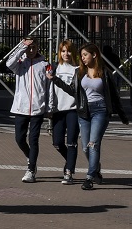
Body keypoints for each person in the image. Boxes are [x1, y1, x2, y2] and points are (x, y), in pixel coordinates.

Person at [49, 42, 128, 190]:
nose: (83, 58)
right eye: (82, 56)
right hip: (84, 112)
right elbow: (73, 90)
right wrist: (55, 80)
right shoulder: (80, 72)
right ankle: (96, 168)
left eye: (85, 55)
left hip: (100, 110)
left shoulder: (104, 72)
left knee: (93, 144)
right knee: (86, 147)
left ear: (94, 55)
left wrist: (123, 116)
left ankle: (90, 176)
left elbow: (114, 95)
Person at [6, 37, 51, 183]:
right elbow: (8, 63)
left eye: (33, 47)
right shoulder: (20, 63)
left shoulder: (45, 65)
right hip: (21, 108)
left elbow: (49, 87)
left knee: (34, 139)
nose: (31, 51)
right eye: (29, 48)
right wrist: (21, 47)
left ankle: (31, 170)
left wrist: (49, 107)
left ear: (38, 48)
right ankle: (30, 156)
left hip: (38, 109)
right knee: (19, 138)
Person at [49, 39, 81, 185]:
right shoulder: (55, 68)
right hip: (58, 110)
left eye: (68, 51)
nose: (66, 54)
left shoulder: (78, 69)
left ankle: (69, 172)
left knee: (72, 142)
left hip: (73, 109)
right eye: (63, 51)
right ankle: (70, 161)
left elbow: (74, 91)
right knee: (57, 142)